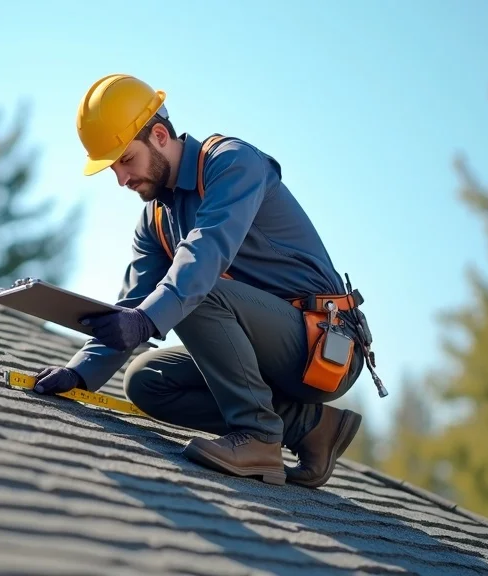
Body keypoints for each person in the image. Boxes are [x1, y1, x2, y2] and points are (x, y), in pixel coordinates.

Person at [31, 73, 383, 488]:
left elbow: (203, 256)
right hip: (265, 352)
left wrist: (148, 320)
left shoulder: (232, 164)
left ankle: (258, 438)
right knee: (147, 382)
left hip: (323, 346)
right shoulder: (155, 220)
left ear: (159, 135)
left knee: (196, 290)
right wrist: (80, 373)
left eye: (126, 160)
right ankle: (312, 429)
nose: (121, 180)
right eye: (112, 169)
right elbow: (133, 306)